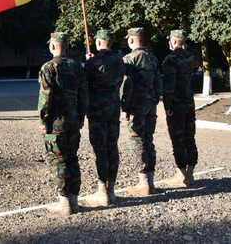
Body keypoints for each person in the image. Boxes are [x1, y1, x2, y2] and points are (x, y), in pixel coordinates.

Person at [39, 32, 88, 215]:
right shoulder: (77, 67)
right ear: (66, 46)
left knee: (61, 161)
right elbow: (84, 95)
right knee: (73, 158)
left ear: (52, 46)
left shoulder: (48, 67)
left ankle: (64, 203)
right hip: (74, 120)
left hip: (56, 123)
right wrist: (81, 116)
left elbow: (45, 98)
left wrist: (44, 120)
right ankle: (75, 201)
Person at [83, 29, 126, 206]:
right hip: (113, 110)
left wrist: (88, 62)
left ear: (99, 42)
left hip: (97, 111)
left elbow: (85, 83)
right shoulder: (119, 61)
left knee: (100, 150)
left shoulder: (92, 63)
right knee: (112, 148)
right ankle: (112, 190)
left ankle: (102, 191)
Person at [120, 27, 163, 196]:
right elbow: (158, 83)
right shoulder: (152, 58)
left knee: (138, 142)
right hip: (150, 105)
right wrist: (154, 100)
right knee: (149, 141)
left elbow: (126, 86)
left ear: (131, 40)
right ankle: (150, 182)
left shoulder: (129, 59)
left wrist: (124, 107)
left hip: (136, 107)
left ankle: (144, 183)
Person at [162, 29, 198, 187]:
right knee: (189, 138)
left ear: (174, 41)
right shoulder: (190, 57)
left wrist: (167, 105)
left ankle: (181, 176)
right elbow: (198, 56)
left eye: (170, 40)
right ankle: (190, 174)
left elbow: (169, 85)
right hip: (189, 101)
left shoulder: (170, 59)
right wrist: (185, 46)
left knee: (178, 139)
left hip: (176, 104)